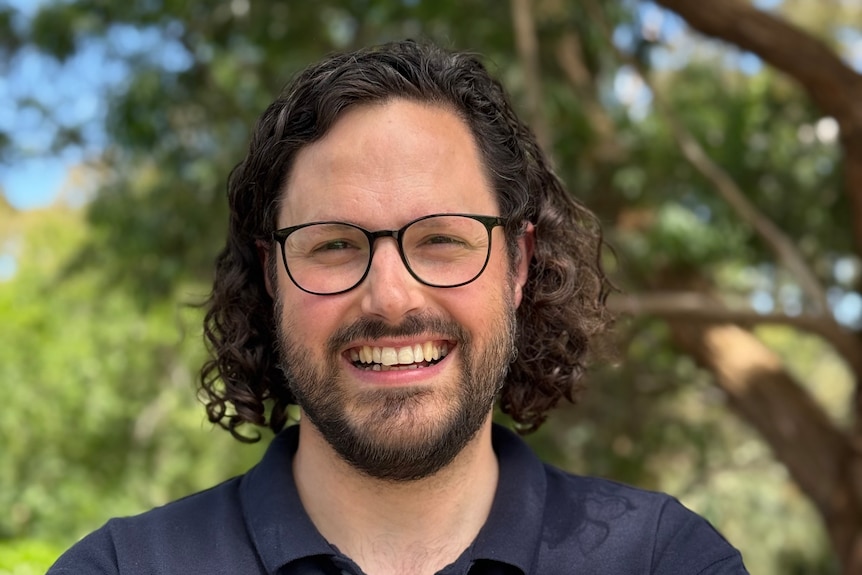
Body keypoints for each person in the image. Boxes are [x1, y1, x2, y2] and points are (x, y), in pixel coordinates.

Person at [48, 39, 748, 575]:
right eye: (335, 245)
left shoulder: (664, 559)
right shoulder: (121, 566)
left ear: (519, 264)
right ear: (272, 275)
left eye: (442, 239)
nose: (389, 296)